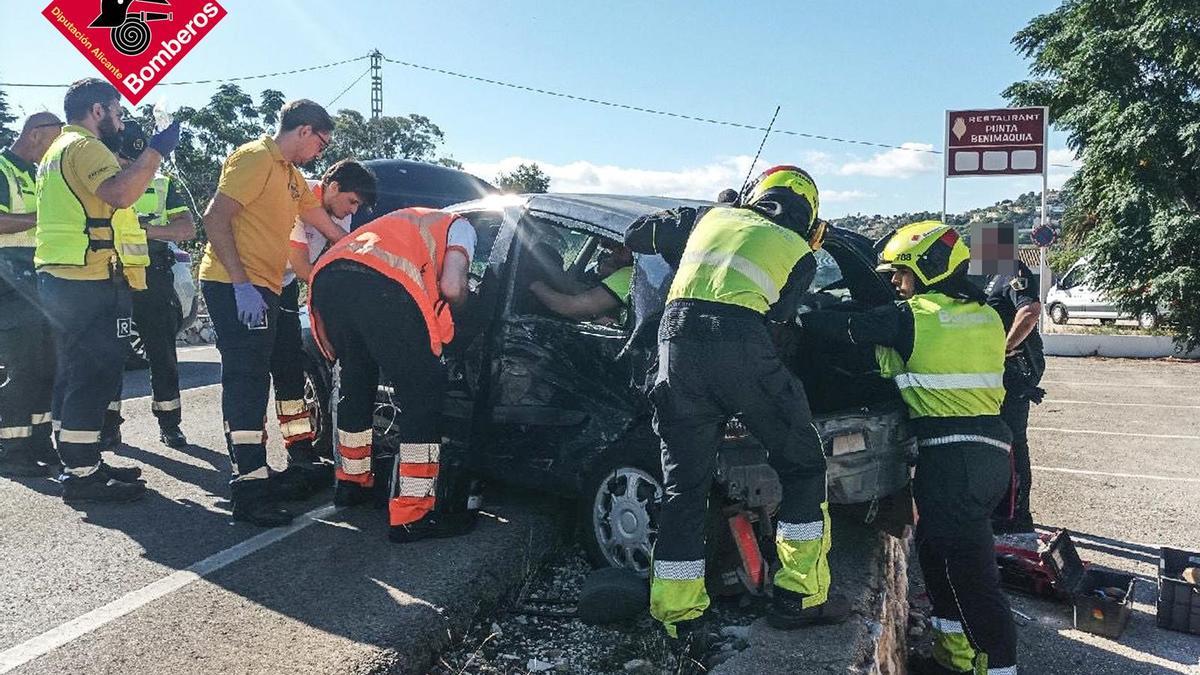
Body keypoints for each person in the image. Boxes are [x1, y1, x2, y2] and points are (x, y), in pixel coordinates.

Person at [631, 165, 847, 651]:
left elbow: (637, 234)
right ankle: (799, 597)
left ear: (756, 192)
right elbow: (780, 320)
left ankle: (678, 619)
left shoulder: (709, 219)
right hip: (743, 348)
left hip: (674, 349)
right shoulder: (799, 251)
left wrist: (707, 211)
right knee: (803, 466)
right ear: (810, 215)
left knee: (683, 487)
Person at [801, 221, 1016, 675]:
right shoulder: (986, 315)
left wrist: (799, 311)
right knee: (937, 558)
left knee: (975, 583)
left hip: (954, 461)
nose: (897, 283)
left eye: (902, 273)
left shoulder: (913, 317)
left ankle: (999, 668)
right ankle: (952, 659)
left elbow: (839, 327)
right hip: (984, 455)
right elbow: (905, 357)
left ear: (930, 268)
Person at [198, 98, 348, 526]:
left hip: (266, 287)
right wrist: (242, 285)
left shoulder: (290, 175)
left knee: (269, 374)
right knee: (246, 382)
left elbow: (323, 222)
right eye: (321, 143)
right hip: (235, 285)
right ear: (304, 131)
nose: (321, 152)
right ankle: (248, 490)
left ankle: (270, 474)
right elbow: (215, 218)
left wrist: (361, 248)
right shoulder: (255, 158)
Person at [34, 78, 181, 503]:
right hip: (87, 276)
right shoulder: (84, 147)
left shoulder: (59, 149)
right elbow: (120, 194)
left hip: (66, 275)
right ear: (97, 111)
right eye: (116, 112)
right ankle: (82, 475)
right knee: (93, 373)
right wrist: (156, 150)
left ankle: (81, 460)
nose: (120, 120)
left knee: (77, 372)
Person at [308, 207, 476, 542]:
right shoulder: (462, 227)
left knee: (356, 383)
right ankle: (412, 515)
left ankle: (352, 485)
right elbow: (454, 287)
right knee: (422, 395)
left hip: (329, 280)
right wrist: (468, 315)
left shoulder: (409, 220)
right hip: (382, 288)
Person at [270, 158, 376, 500]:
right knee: (255, 374)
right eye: (351, 202)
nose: (352, 211)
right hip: (252, 281)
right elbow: (304, 267)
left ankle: (300, 449)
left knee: (288, 370)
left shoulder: (341, 209)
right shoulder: (298, 201)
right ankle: (250, 464)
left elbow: (342, 256)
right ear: (331, 188)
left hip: (282, 285)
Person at [99, 120, 196, 450]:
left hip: (153, 274)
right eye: (123, 159)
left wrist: (140, 230)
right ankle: (109, 427)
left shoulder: (162, 183)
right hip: (111, 275)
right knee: (110, 354)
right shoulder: (101, 178)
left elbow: (186, 229)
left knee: (162, 353)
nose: (128, 165)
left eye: (133, 160)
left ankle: (170, 424)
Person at [0, 112, 63, 477]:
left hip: (35, 279)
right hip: (8, 280)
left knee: (45, 368)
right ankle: (13, 449)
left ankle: (39, 441)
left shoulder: (36, 173)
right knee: (22, 369)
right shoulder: (3, 169)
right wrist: (45, 219)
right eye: (52, 141)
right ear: (36, 135)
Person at [986, 260, 1044, 536]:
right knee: (996, 442)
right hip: (993, 374)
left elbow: (1030, 312)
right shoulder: (983, 275)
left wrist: (1003, 348)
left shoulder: (1012, 271)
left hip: (1013, 372)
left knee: (1012, 443)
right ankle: (1000, 508)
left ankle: (1017, 515)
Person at [528, 242, 632, 324]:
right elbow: (576, 290)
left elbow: (569, 307)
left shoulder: (629, 275)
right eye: (612, 249)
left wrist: (533, 284)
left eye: (621, 248)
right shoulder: (638, 274)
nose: (614, 254)